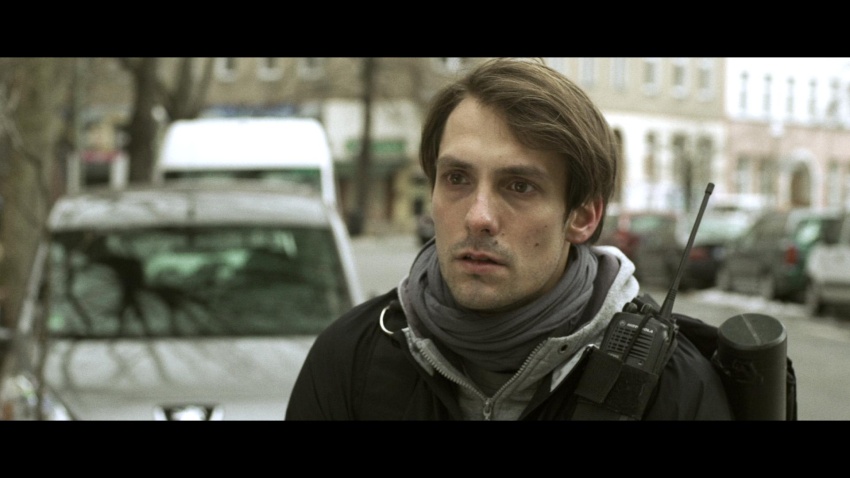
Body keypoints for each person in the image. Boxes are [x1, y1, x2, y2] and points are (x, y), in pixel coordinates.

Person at [285, 58, 732, 420]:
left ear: (583, 216)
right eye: (457, 178)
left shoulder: (671, 387)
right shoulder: (353, 357)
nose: (478, 217)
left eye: (519, 186)